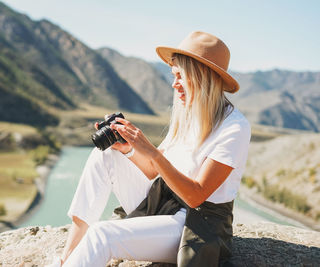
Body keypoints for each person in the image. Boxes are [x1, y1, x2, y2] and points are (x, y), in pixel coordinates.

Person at [47, 31, 251, 267]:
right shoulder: (189, 115)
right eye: (173, 76)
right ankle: (67, 257)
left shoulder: (234, 127)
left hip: (196, 223)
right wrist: (128, 149)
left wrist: (151, 151)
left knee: (103, 235)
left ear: (203, 77)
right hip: (163, 203)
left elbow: (196, 196)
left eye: (181, 77)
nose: (175, 85)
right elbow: (155, 173)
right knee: (105, 154)